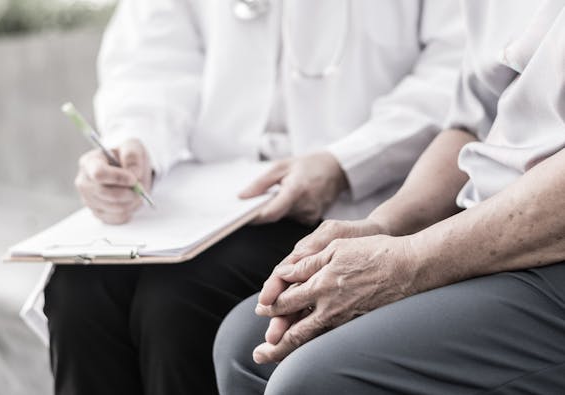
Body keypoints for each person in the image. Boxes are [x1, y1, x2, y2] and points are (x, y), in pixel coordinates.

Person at [30, 1, 464, 394]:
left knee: (180, 300)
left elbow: (455, 68)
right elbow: (153, 58)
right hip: (204, 193)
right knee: (79, 287)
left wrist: (345, 161)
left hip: (359, 196)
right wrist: (136, 143)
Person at [213, 1, 565, 394]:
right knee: (246, 342)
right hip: (483, 225)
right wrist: (385, 226)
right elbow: (471, 127)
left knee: (317, 380)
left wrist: (410, 260)